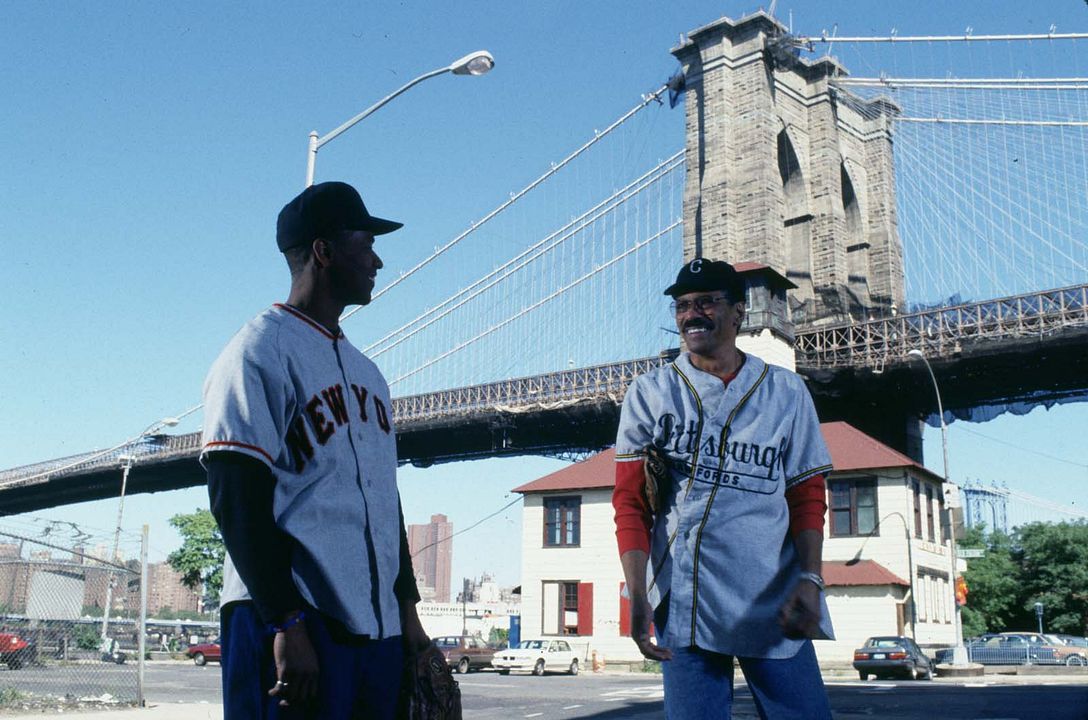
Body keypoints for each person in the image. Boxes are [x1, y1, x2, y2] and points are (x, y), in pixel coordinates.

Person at [201, 181, 429, 719]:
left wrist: (409, 618)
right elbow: (236, 495)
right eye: (365, 242)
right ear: (323, 252)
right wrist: (285, 621)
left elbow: (384, 504)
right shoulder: (258, 349)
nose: (377, 258)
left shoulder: (370, 374)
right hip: (290, 620)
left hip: (374, 630)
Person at [612, 258, 835, 720]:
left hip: (773, 592)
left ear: (738, 312)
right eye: (683, 305)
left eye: (707, 302)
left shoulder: (787, 392)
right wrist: (638, 595)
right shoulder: (649, 392)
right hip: (684, 594)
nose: (692, 314)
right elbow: (630, 504)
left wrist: (811, 578)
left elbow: (807, 494)